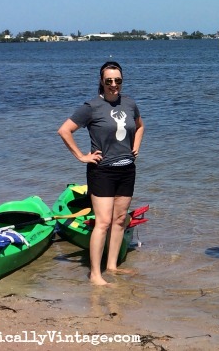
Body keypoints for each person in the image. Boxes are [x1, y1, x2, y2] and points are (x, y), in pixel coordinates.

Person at [58, 61, 144, 286]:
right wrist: (81, 156)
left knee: (119, 220)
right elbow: (64, 130)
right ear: (102, 81)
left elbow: (140, 126)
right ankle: (95, 274)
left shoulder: (130, 103)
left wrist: (137, 145)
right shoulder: (92, 106)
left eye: (118, 81)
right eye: (109, 81)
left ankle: (112, 267)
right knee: (103, 222)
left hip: (127, 169)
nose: (113, 85)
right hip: (102, 171)